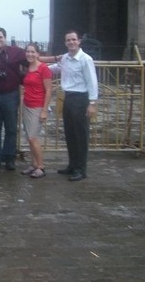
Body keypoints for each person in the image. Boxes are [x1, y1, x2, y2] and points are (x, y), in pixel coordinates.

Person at [48, 30, 98, 181]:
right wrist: (36, 67)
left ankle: (81, 169)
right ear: (65, 43)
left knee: (81, 135)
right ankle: (72, 164)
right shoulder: (65, 58)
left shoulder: (85, 59)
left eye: (73, 39)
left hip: (81, 99)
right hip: (68, 97)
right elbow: (54, 68)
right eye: (68, 40)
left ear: (79, 41)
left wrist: (92, 103)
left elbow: (92, 81)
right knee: (70, 134)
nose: (71, 42)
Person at [0, 27, 27, 171]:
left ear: (5, 38)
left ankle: (9, 158)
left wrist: (24, 79)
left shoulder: (16, 52)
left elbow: (32, 62)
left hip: (10, 94)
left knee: (11, 128)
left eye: (0, 37)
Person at [21, 43, 52, 178]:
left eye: (33, 52)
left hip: (37, 106)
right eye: (28, 52)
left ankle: (41, 166)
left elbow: (49, 90)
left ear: (38, 54)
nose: (30, 54)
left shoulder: (43, 68)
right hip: (27, 105)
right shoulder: (29, 67)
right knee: (29, 137)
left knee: (33, 138)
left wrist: (44, 110)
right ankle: (34, 164)